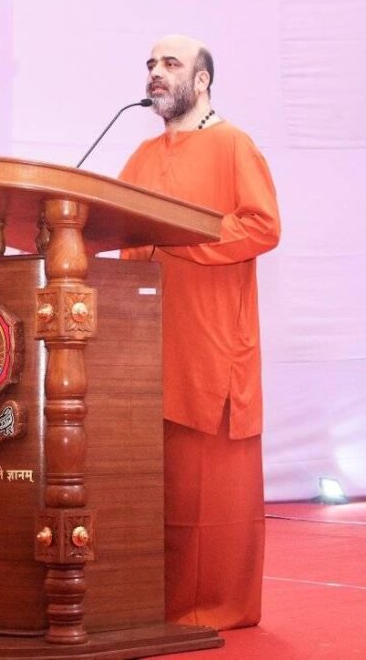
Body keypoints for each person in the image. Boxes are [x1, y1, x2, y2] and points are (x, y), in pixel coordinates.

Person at [118, 34, 280, 629]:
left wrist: (184, 237)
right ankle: (142, 598)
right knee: (149, 485)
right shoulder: (138, 156)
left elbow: (263, 226)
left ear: (203, 79)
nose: (156, 74)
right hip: (143, 344)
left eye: (170, 64)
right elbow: (120, 235)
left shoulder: (233, 143)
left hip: (210, 342)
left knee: (205, 488)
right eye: (151, 65)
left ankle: (211, 606)